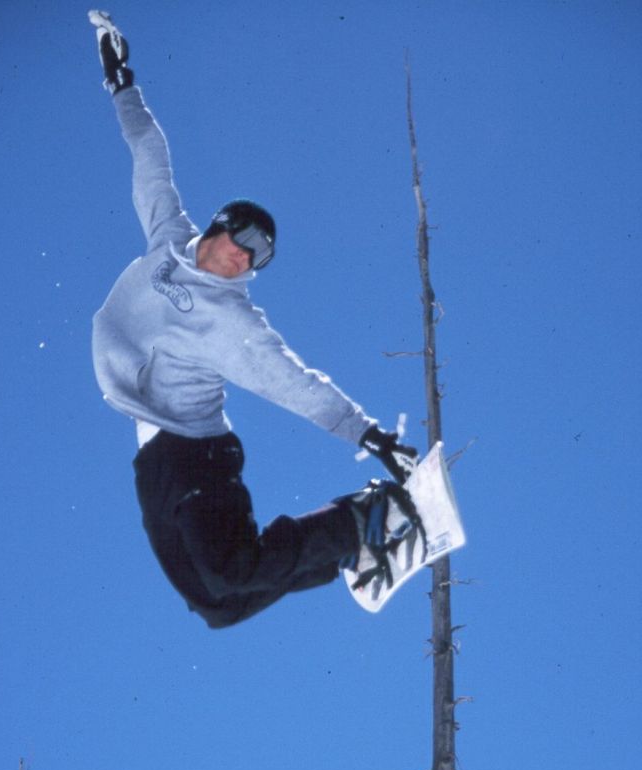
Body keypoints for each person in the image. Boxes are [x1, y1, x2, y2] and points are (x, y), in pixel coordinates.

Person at [88, 11, 418, 629]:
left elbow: (292, 381)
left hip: (197, 452)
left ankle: (366, 519)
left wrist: (369, 436)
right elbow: (149, 155)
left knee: (233, 571)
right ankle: (357, 547)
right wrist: (122, 83)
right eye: (242, 238)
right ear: (216, 226)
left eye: (259, 255)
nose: (245, 256)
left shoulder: (232, 319)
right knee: (218, 605)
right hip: (152, 457)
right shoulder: (168, 238)